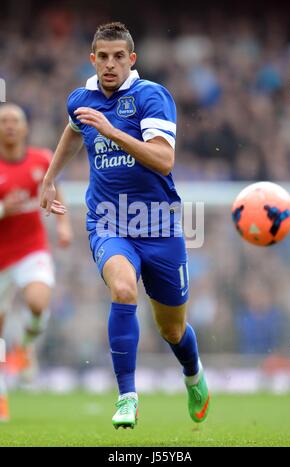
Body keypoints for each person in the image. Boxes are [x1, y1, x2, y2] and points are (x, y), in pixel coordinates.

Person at [40, 22, 210, 429]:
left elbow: (163, 160)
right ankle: (127, 397)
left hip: (159, 225)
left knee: (172, 329)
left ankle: (194, 374)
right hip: (108, 221)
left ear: (132, 60)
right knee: (122, 287)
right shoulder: (82, 99)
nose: (111, 64)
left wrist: (112, 131)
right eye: (103, 57)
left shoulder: (152, 96)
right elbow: (74, 128)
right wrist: (49, 178)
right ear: (93, 60)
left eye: (119, 56)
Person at [0, 103, 73, 421]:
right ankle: (1, 396)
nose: (10, 126)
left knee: (38, 301)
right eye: (4, 121)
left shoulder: (42, 159)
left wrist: (63, 224)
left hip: (31, 249)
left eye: (16, 120)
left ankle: (26, 348)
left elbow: (55, 189)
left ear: (26, 127)